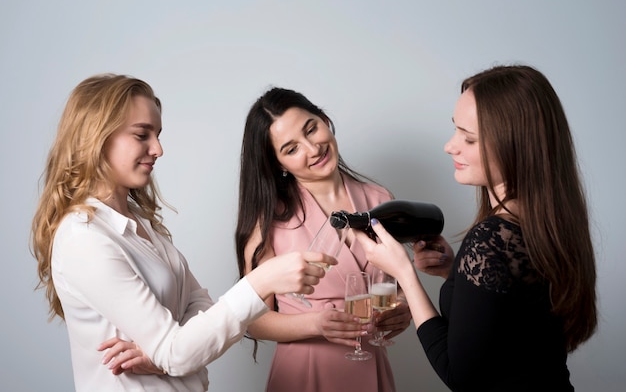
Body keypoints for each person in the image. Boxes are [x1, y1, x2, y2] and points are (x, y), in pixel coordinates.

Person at [30, 74, 337, 392]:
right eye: (142, 135)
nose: (158, 149)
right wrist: (260, 282)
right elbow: (182, 349)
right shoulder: (85, 239)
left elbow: (200, 312)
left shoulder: (138, 224)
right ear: (97, 137)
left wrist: (168, 353)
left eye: (157, 134)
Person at [358, 64, 598, 391]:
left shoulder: (491, 238)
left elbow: (459, 374)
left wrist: (403, 273)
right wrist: (456, 272)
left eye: (469, 139)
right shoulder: (551, 223)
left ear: (514, 147)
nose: (450, 146)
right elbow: (512, 318)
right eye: (456, 130)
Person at [235, 87, 450, 392]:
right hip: (304, 374)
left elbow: (396, 285)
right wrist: (314, 324)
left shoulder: (379, 199)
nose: (312, 149)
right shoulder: (269, 222)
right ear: (279, 164)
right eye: (291, 149)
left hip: (371, 367)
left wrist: (401, 310)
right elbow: (252, 320)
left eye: (312, 129)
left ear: (324, 119)